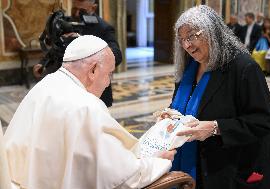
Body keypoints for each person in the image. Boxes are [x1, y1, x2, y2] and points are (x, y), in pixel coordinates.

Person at [4, 35, 176, 189]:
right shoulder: (86, 106)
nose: (108, 83)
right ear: (93, 70)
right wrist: (157, 162)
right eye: (109, 74)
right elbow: (123, 177)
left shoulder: (46, 84)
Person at [167, 5, 270, 189]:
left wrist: (215, 128)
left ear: (212, 32)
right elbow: (184, 104)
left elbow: (262, 121)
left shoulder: (243, 67)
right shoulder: (189, 68)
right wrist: (171, 114)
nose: (186, 45)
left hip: (238, 166)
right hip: (201, 164)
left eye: (192, 36)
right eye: (182, 39)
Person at [33, 0, 122, 107]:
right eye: (74, 9)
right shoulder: (67, 23)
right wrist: (43, 63)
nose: (76, 14)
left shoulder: (103, 28)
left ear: (93, 8)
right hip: (68, 90)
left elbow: (117, 55)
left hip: (95, 93)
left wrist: (83, 41)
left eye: (81, 11)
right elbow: (57, 46)